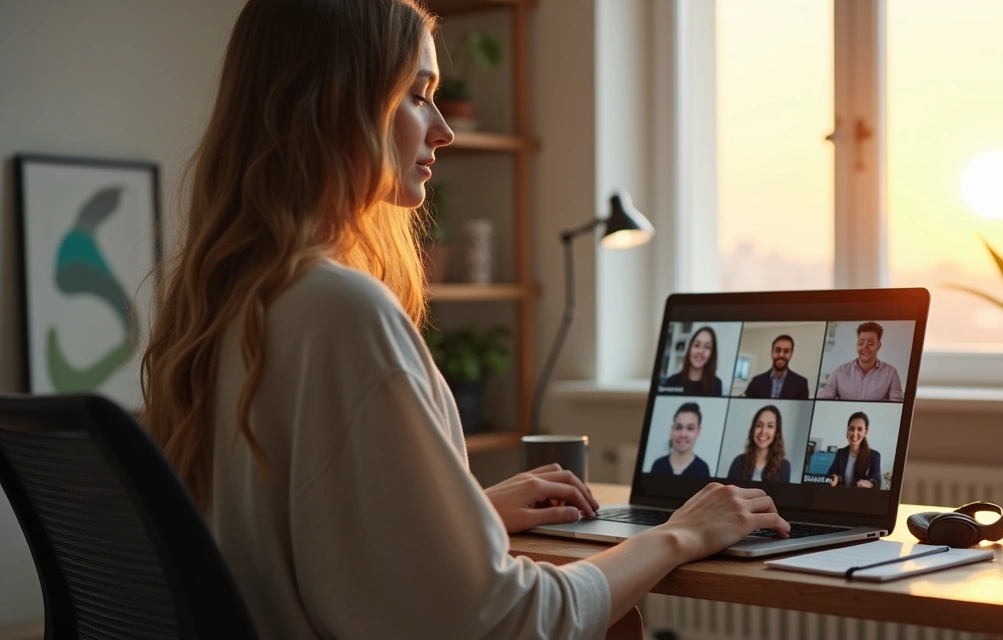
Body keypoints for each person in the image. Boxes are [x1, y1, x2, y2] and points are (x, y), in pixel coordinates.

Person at [138, 2, 789, 638]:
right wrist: (680, 533)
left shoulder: (222, 312)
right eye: (418, 94)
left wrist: (466, 516)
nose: (443, 130)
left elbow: (302, 533)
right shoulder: (341, 312)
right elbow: (509, 621)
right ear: (337, 105)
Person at [817, 322, 904, 401]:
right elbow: (823, 399)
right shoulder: (839, 372)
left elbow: (897, 404)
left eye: (870, 343)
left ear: (879, 346)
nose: (864, 347)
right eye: (861, 342)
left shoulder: (891, 373)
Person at [726, 405, 792, 483]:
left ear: (776, 432)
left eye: (770, 426)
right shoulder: (738, 461)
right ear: (753, 429)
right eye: (759, 425)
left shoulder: (784, 467)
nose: (763, 431)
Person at [649, 402, 712, 477]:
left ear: (698, 431)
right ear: (672, 429)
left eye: (690, 428)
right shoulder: (658, 465)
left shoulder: (703, 469)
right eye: (678, 427)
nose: (683, 434)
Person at [660, 326, 723, 396]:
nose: (700, 351)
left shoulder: (717, 384)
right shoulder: (671, 382)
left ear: (712, 353)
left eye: (707, 347)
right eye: (697, 345)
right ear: (689, 348)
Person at [826, 412, 883, 489]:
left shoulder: (874, 455)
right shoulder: (841, 452)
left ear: (866, 432)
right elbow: (830, 475)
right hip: (839, 497)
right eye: (851, 429)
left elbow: (877, 481)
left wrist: (870, 483)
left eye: (860, 429)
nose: (855, 434)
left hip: (861, 499)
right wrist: (834, 478)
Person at [742, 335, 810, 399]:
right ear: (772, 352)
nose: (781, 355)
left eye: (786, 351)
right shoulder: (756, 381)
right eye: (777, 350)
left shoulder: (801, 384)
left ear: (791, 354)